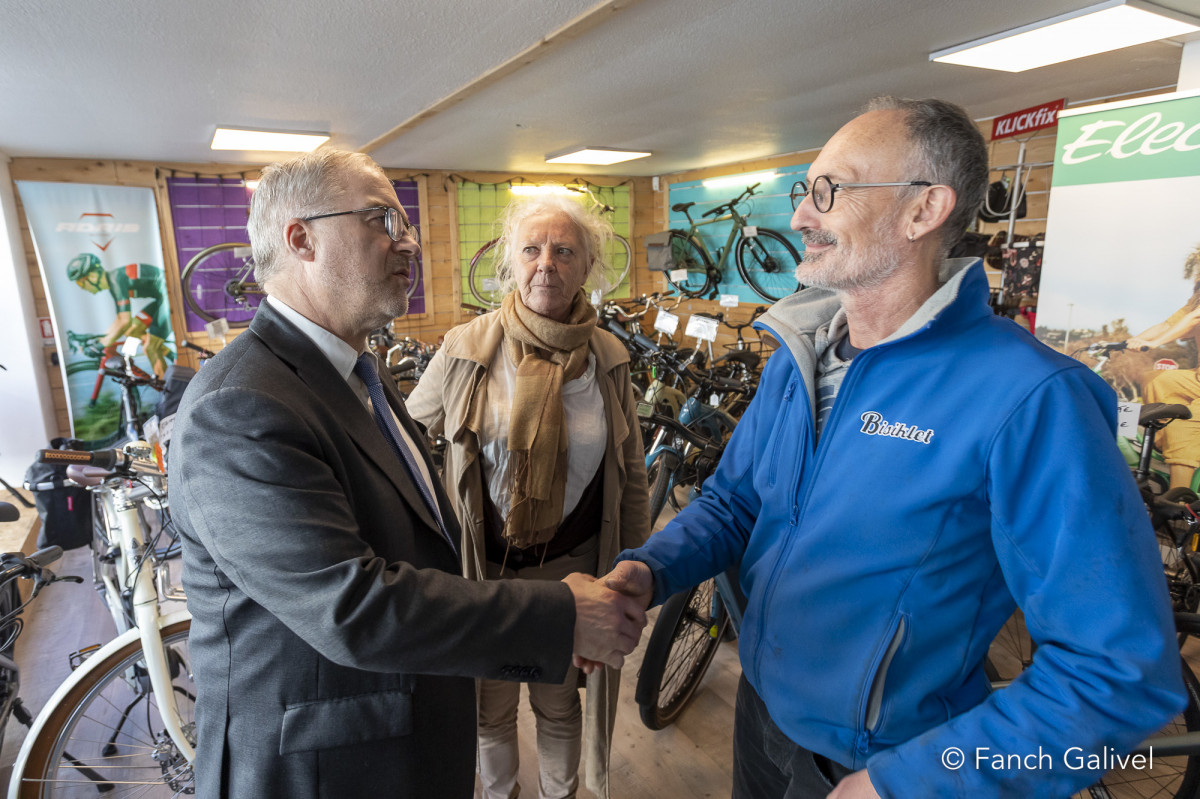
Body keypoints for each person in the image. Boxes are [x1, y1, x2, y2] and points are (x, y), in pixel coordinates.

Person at [600, 97, 1185, 797]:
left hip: (877, 767)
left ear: (923, 210)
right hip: (761, 718)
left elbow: (1117, 672)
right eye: (803, 189)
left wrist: (915, 781)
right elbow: (734, 502)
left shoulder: (1032, 399)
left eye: (830, 190)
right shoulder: (799, 353)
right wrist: (650, 569)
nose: (800, 217)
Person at [170, 149, 646, 799]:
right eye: (382, 221)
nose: (410, 242)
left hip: (401, 734)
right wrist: (564, 614)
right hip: (329, 769)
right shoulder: (242, 405)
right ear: (300, 238)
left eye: (407, 224)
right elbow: (352, 607)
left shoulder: (361, 376)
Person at [406, 195, 650, 798]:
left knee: (560, 705)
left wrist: (636, 574)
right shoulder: (466, 347)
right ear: (509, 264)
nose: (547, 263)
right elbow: (406, 446)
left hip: (572, 574)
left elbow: (633, 476)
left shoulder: (610, 360)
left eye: (564, 250)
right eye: (532, 249)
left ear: (586, 266)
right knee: (487, 709)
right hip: (481, 574)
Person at [1129, 243, 1200, 489]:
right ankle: (1160, 440)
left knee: (1184, 427)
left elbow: (1193, 320)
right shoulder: (1195, 300)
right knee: (1157, 379)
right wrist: (1131, 341)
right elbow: (1167, 324)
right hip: (1197, 378)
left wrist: (1154, 343)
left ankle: (1179, 506)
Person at [67, 252, 172, 376]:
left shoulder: (115, 280)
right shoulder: (114, 280)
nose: (81, 287)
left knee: (150, 348)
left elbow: (124, 321)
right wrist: (101, 339)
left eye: (80, 282)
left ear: (92, 276)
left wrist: (99, 345)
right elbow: (120, 320)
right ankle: (171, 355)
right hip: (163, 297)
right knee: (133, 329)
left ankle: (169, 392)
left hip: (171, 294)